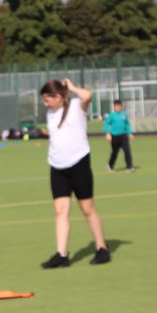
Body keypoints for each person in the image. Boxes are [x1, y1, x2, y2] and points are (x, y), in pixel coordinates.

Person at [38, 78, 110, 269]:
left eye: (48, 99)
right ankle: (62, 254)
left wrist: (71, 88)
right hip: (57, 167)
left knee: (87, 209)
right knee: (60, 210)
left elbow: (88, 95)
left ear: (60, 97)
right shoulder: (50, 113)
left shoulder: (78, 106)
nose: (46, 104)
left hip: (79, 165)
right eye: (44, 100)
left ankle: (102, 248)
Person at [103, 100, 135, 173]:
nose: (118, 107)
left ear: (121, 106)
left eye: (119, 106)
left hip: (123, 135)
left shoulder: (124, 114)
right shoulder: (112, 115)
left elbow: (127, 124)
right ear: (114, 107)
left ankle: (129, 167)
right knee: (115, 152)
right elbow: (106, 124)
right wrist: (107, 133)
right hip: (114, 136)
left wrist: (130, 133)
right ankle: (110, 165)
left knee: (127, 151)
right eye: (116, 106)